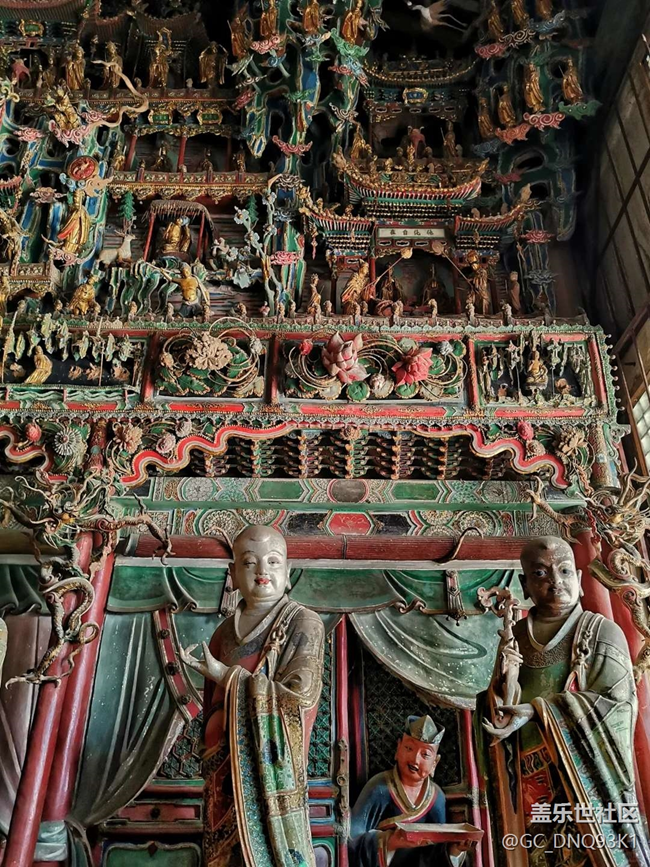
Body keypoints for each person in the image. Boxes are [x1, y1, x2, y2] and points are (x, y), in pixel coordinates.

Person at [478, 537, 649, 867]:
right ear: (525, 585)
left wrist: (537, 710)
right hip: (530, 782)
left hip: (588, 781)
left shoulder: (602, 632)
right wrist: (502, 689)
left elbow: (616, 705)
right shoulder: (515, 637)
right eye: (540, 573)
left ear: (580, 580)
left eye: (565, 571)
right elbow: (498, 709)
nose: (555, 581)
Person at [180, 526, 324, 867]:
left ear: (288, 571)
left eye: (273, 561)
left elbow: (300, 698)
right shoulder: (223, 633)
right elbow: (212, 702)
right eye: (249, 562)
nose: (262, 570)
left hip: (269, 775)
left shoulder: (303, 623)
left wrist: (226, 676)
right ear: (232, 573)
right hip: (221, 767)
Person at [349, 715, 473, 867]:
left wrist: (455, 849)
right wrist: (390, 842)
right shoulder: (379, 787)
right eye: (409, 748)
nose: (415, 759)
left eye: (425, 754)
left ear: (435, 762)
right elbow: (352, 838)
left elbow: (435, 852)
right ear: (398, 748)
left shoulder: (436, 797)